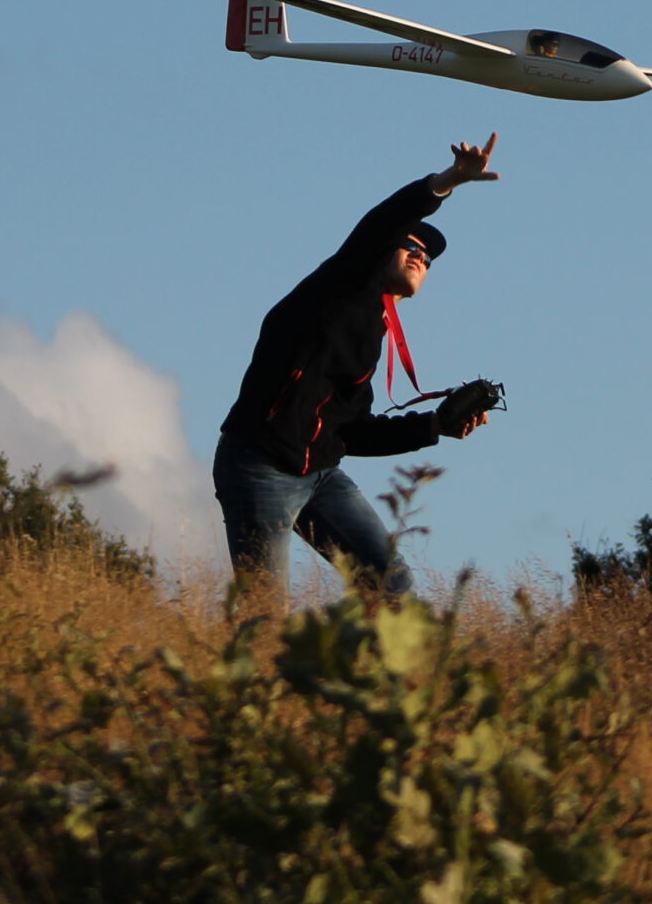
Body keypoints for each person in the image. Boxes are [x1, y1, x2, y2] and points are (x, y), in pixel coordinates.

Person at [213, 134, 500, 598]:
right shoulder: (340, 285)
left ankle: (370, 671)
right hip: (258, 464)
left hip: (320, 476)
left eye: (427, 258)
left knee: (393, 587)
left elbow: (350, 433)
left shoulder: (373, 335)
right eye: (410, 246)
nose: (419, 256)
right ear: (381, 251)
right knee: (262, 613)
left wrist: (434, 426)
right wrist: (448, 181)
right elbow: (381, 223)